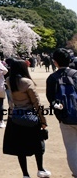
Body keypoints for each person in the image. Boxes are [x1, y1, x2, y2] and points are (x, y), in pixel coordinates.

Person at [3, 59, 50, 178]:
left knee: (20, 147)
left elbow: (10, 101)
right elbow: (36, 103)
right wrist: (43, 120)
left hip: (16, 117)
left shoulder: (9, 80)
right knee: (38, 144)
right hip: (30, 117)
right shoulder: (27, 82)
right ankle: (40, 169)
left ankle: (25, 174)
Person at [45, 48, 77, 177]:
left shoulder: (52, 78)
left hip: (65, 117)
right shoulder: (76, 74)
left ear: (55, 62)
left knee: (71, 147)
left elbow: (51, 99)